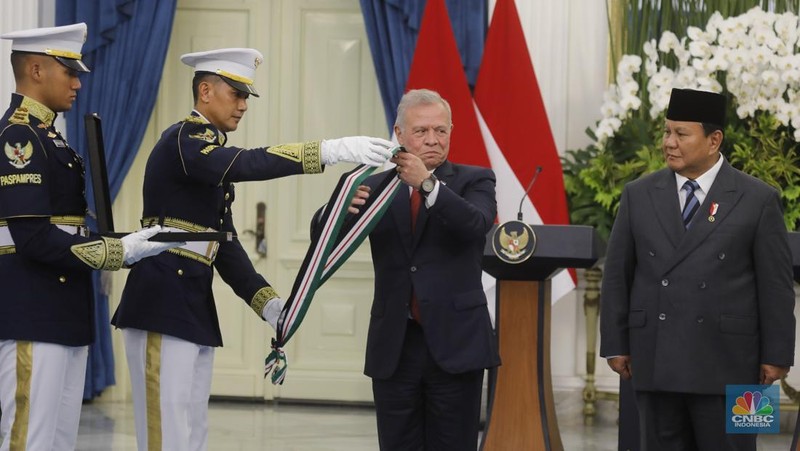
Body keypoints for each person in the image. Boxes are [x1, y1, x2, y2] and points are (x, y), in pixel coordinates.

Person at [110, 47, 394, 450]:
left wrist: (267, 303)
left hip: (190, 302)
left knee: (190, 431)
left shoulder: (208, 152)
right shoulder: (185, 140)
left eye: (246, 97)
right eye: (236, 94)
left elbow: (223, 247)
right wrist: (327, 151)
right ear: (205, 91)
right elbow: (246, 164)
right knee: (165, 431)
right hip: (161, 300)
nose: (243, 105)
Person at [0, 23, 177, 450]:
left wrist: (131, 244)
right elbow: (34, 238)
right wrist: (115, 251)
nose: (78, 83)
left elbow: (67, 229)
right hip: (33, 312)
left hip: (63, 312)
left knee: (58, 441)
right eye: (69, 72)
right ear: (36, 70)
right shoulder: (20, 137)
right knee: (28, 439)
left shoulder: (51, 138)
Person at [600, 88, 796, 450]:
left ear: (713, 140)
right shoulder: (638, 194)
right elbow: (616, 277)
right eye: (666, 132)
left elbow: (776, 286)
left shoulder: (759, 198)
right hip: (654, 361)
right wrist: (615, 344)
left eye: (681, 134)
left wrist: (777, 355)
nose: (669, 143)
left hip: (737, 366)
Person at [342, 89, 500, 450]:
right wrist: (336, 208)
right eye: (421, 131)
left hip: (455, 343)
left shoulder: (476, 180)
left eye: (440, 130)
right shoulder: (374, 187)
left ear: (451, 132)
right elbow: (323, 239)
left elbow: (475, 225)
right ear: (399, 134)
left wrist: (427, 185)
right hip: (395, 345)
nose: (432, 139)